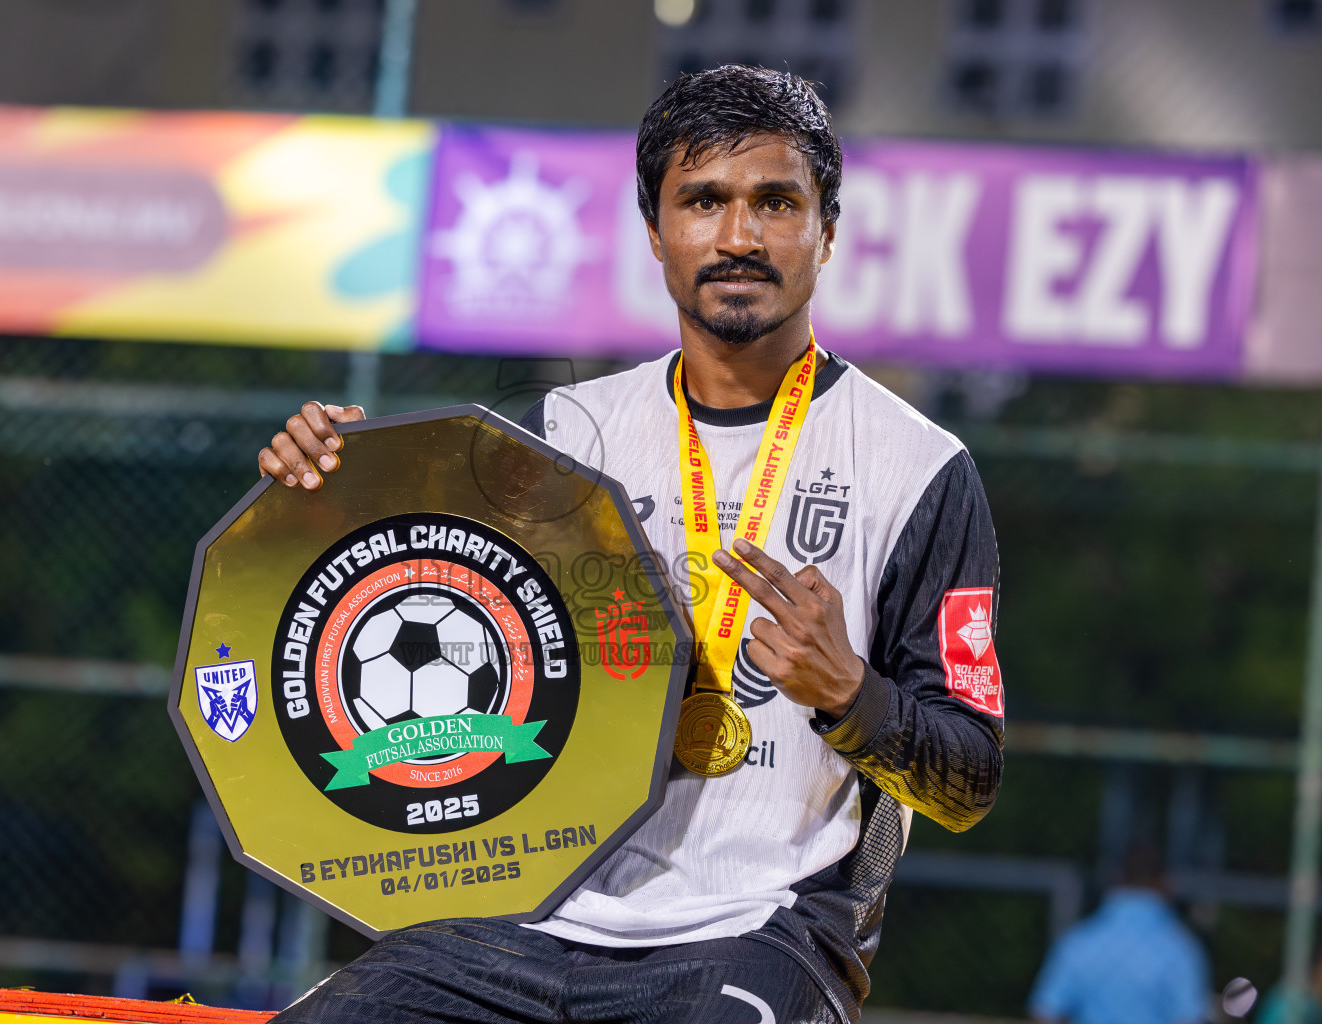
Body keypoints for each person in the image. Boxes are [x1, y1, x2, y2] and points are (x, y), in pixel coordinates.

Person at [258, 65, 1005, 1024]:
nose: (739, 236)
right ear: (655, 231)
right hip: (523, 913)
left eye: (776, 201)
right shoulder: (564, 434)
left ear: (827, 229)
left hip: (758, 929)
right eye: (704, 201)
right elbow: (407, 603)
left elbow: (969, 780)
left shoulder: (921, 469)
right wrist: (324, 496)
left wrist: (847, 693)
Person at [1028, 846, 1209, 1024]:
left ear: (1118, 878)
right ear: (1166, 882)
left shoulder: (1079, 941)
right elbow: (1190, 1017)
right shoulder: (1181, 949)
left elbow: (1045, 1012)